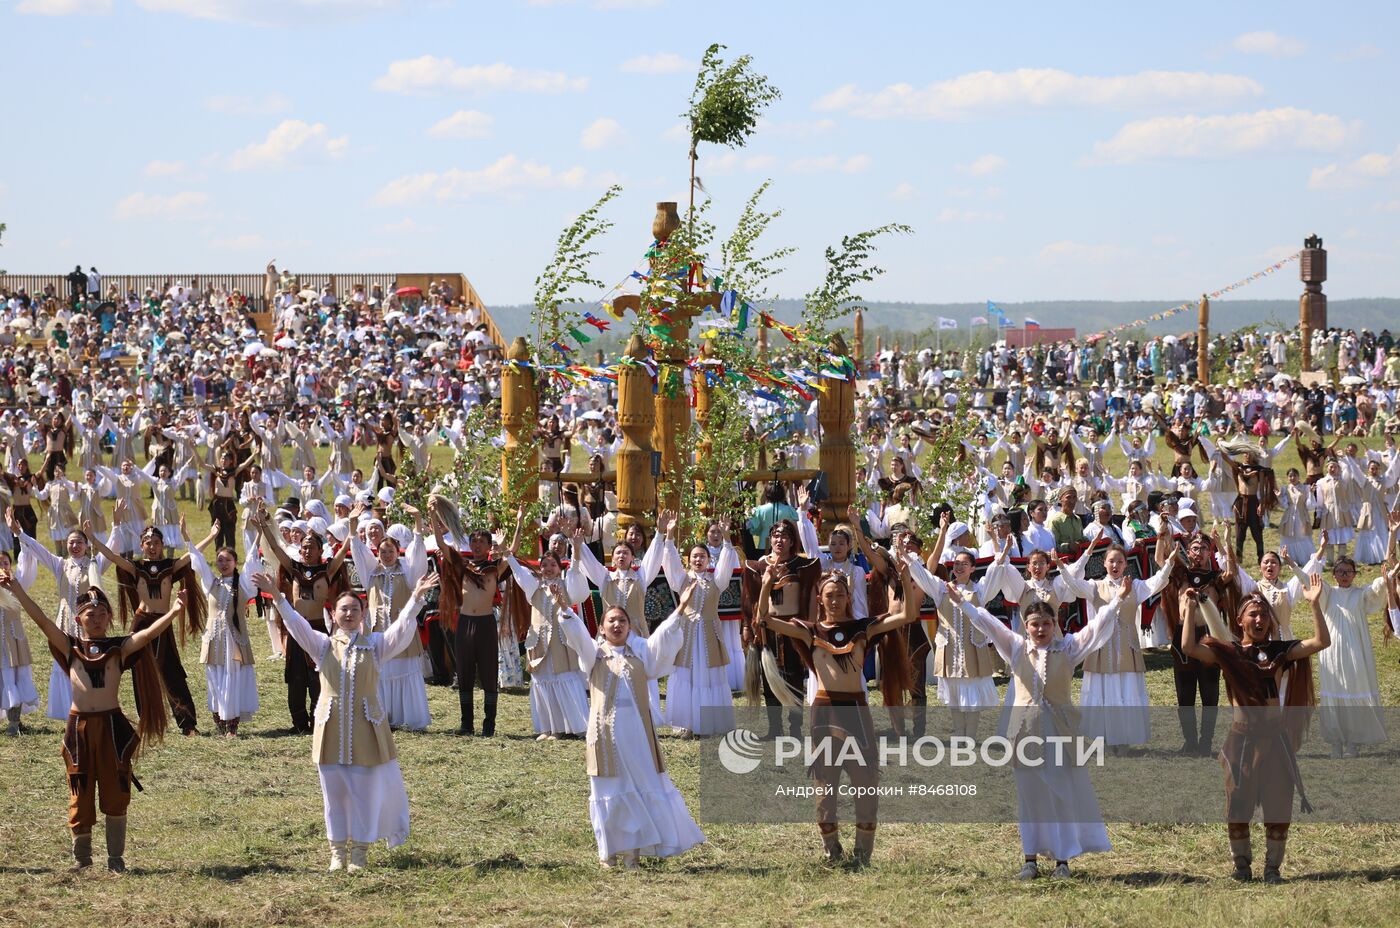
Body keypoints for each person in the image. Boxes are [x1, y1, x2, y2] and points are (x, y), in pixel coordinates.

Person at [256, 569, 436, 872]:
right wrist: (278, 597)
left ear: (363, 612)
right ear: (334, 614)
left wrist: (416, 598)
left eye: (355, 608)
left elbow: (402, 629)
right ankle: (337, 851)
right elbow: (297, 626)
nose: (349, 613)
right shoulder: (323, 645)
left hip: (367, 728)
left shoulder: (376, 645)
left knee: (364, 792)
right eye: (344, 609)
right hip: (331, 729)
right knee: (334, 793)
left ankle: (360, 853)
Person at [953, 578, 1132, 879]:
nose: (1040, 630)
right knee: (1030, 796)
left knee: (1061, 795)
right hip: (1025, 735)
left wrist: (1118, 601)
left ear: (1055, 623)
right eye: (1034, 624)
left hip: (1060, 734)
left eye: (1046, 624)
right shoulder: (1016, 647)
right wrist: (963, 604)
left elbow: (1097, 626)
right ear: (1025, 625)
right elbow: (989, 625)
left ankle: (1062, 860)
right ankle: (1030, 860)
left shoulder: (1069, 649)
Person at [3, 577, 181, 872]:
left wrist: (173, 612)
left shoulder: (118, 647)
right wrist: (17, 590)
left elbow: (146, 636)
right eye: (90, 615)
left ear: (110, 617)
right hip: (79, 731)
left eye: (101, 615)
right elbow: (42, 621)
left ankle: (115, 860)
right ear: (78, 619)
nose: (96, 620)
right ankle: (82, 859)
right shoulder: (70, 646)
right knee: (80, 790)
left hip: (112, 728)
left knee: (115, 792)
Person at [755, 562, 920, 865]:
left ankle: (863, 855)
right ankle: (832, 851)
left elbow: (907, 616)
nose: (834, 600)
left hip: (856, 710)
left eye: (840, 594)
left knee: (866, 781)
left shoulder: (863, 628)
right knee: (825, 782)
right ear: (820, 599)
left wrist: (906, 580)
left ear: (848, 596)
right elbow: (763, 620)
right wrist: (766, 582)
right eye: (828, 595)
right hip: (824, 712)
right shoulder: (810, 631)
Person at [1178, 576, 1331, 883]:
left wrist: (1315, 604)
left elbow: (1321, 642)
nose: (1259, 619)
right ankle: (1242, 867)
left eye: (1263, 614)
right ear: (1240, 620)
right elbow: (1189, 647)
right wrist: (1191, 610)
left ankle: (1273, 869)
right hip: (1242, 740)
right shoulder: (1229, 653)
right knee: (1238, 803)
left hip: (1276, 739)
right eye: (1253, 614)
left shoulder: (1279, 651)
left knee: (1278, 803)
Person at [554, 588, 705, 869]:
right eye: (611, 620)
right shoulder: (594, 656)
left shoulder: (641, 654)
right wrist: (565, 610)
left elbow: (662, 641)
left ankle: (632, 855)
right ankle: (608, 853)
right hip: (605, 737)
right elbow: (577, 638)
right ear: (601, 627)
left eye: (622, 620)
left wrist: (681, 607)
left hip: (637, 735)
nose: (617, 625)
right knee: (610, 789)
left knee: (637, 787)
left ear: (630, 626)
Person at [90, 516, 207, 736]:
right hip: (142, 622)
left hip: (163, 621)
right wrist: (92, 540)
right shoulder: (136, 567)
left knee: (172, 671)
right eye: (148, 543)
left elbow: (193, 554)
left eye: (156, 543)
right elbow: (113, 557)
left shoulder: (169, 567)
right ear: (141, 546)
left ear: (162, 545)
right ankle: (147, 720)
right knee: (140, 670)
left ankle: (187, 724)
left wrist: (208, 535)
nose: (152, 547)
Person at [428, 495, 512, 736]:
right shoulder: (462, 563)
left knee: (488, 673)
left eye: (481, 541)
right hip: (465, 622)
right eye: (473, 540)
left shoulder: (494, 568)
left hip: (485, 623)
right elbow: (441, 545)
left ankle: (489, 725)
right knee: (464, 672)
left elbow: (511, 556)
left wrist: (505, 542)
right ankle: (466, 724)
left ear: (488, 546)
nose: (476, 545)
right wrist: (434, 516)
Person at [184, 519, 260, 736]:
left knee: (233, 679)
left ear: (235, 562)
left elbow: (253, 558)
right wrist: (188, 537)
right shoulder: (211, 583)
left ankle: (232, 726)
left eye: (227, 560)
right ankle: (219, 720)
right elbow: (197, 559)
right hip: (215, 640)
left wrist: (260, 533)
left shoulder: (243, 584)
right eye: (219, 560)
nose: (223, 564)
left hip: (235, 640)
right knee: (216, 680)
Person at [661, 528, 739, 738]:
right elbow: (670, 563)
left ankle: (709, 722)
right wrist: (669, 537)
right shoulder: (682, 580)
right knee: (686, 675)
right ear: (688, 560)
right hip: (686, 635)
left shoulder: (717, 581)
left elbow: (726, 563)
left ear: (708, 560)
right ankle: (687, 723)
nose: (698, 559)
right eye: (694, 556)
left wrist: (727, 540)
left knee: (709, 676)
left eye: (702, 556)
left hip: (708, 635)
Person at [0, 549, 38, 734]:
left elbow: (28, 564)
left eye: (5, 563)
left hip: (14, 641)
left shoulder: (16, 585)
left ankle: (14, 722)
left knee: (13, 676)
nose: (2, 567)